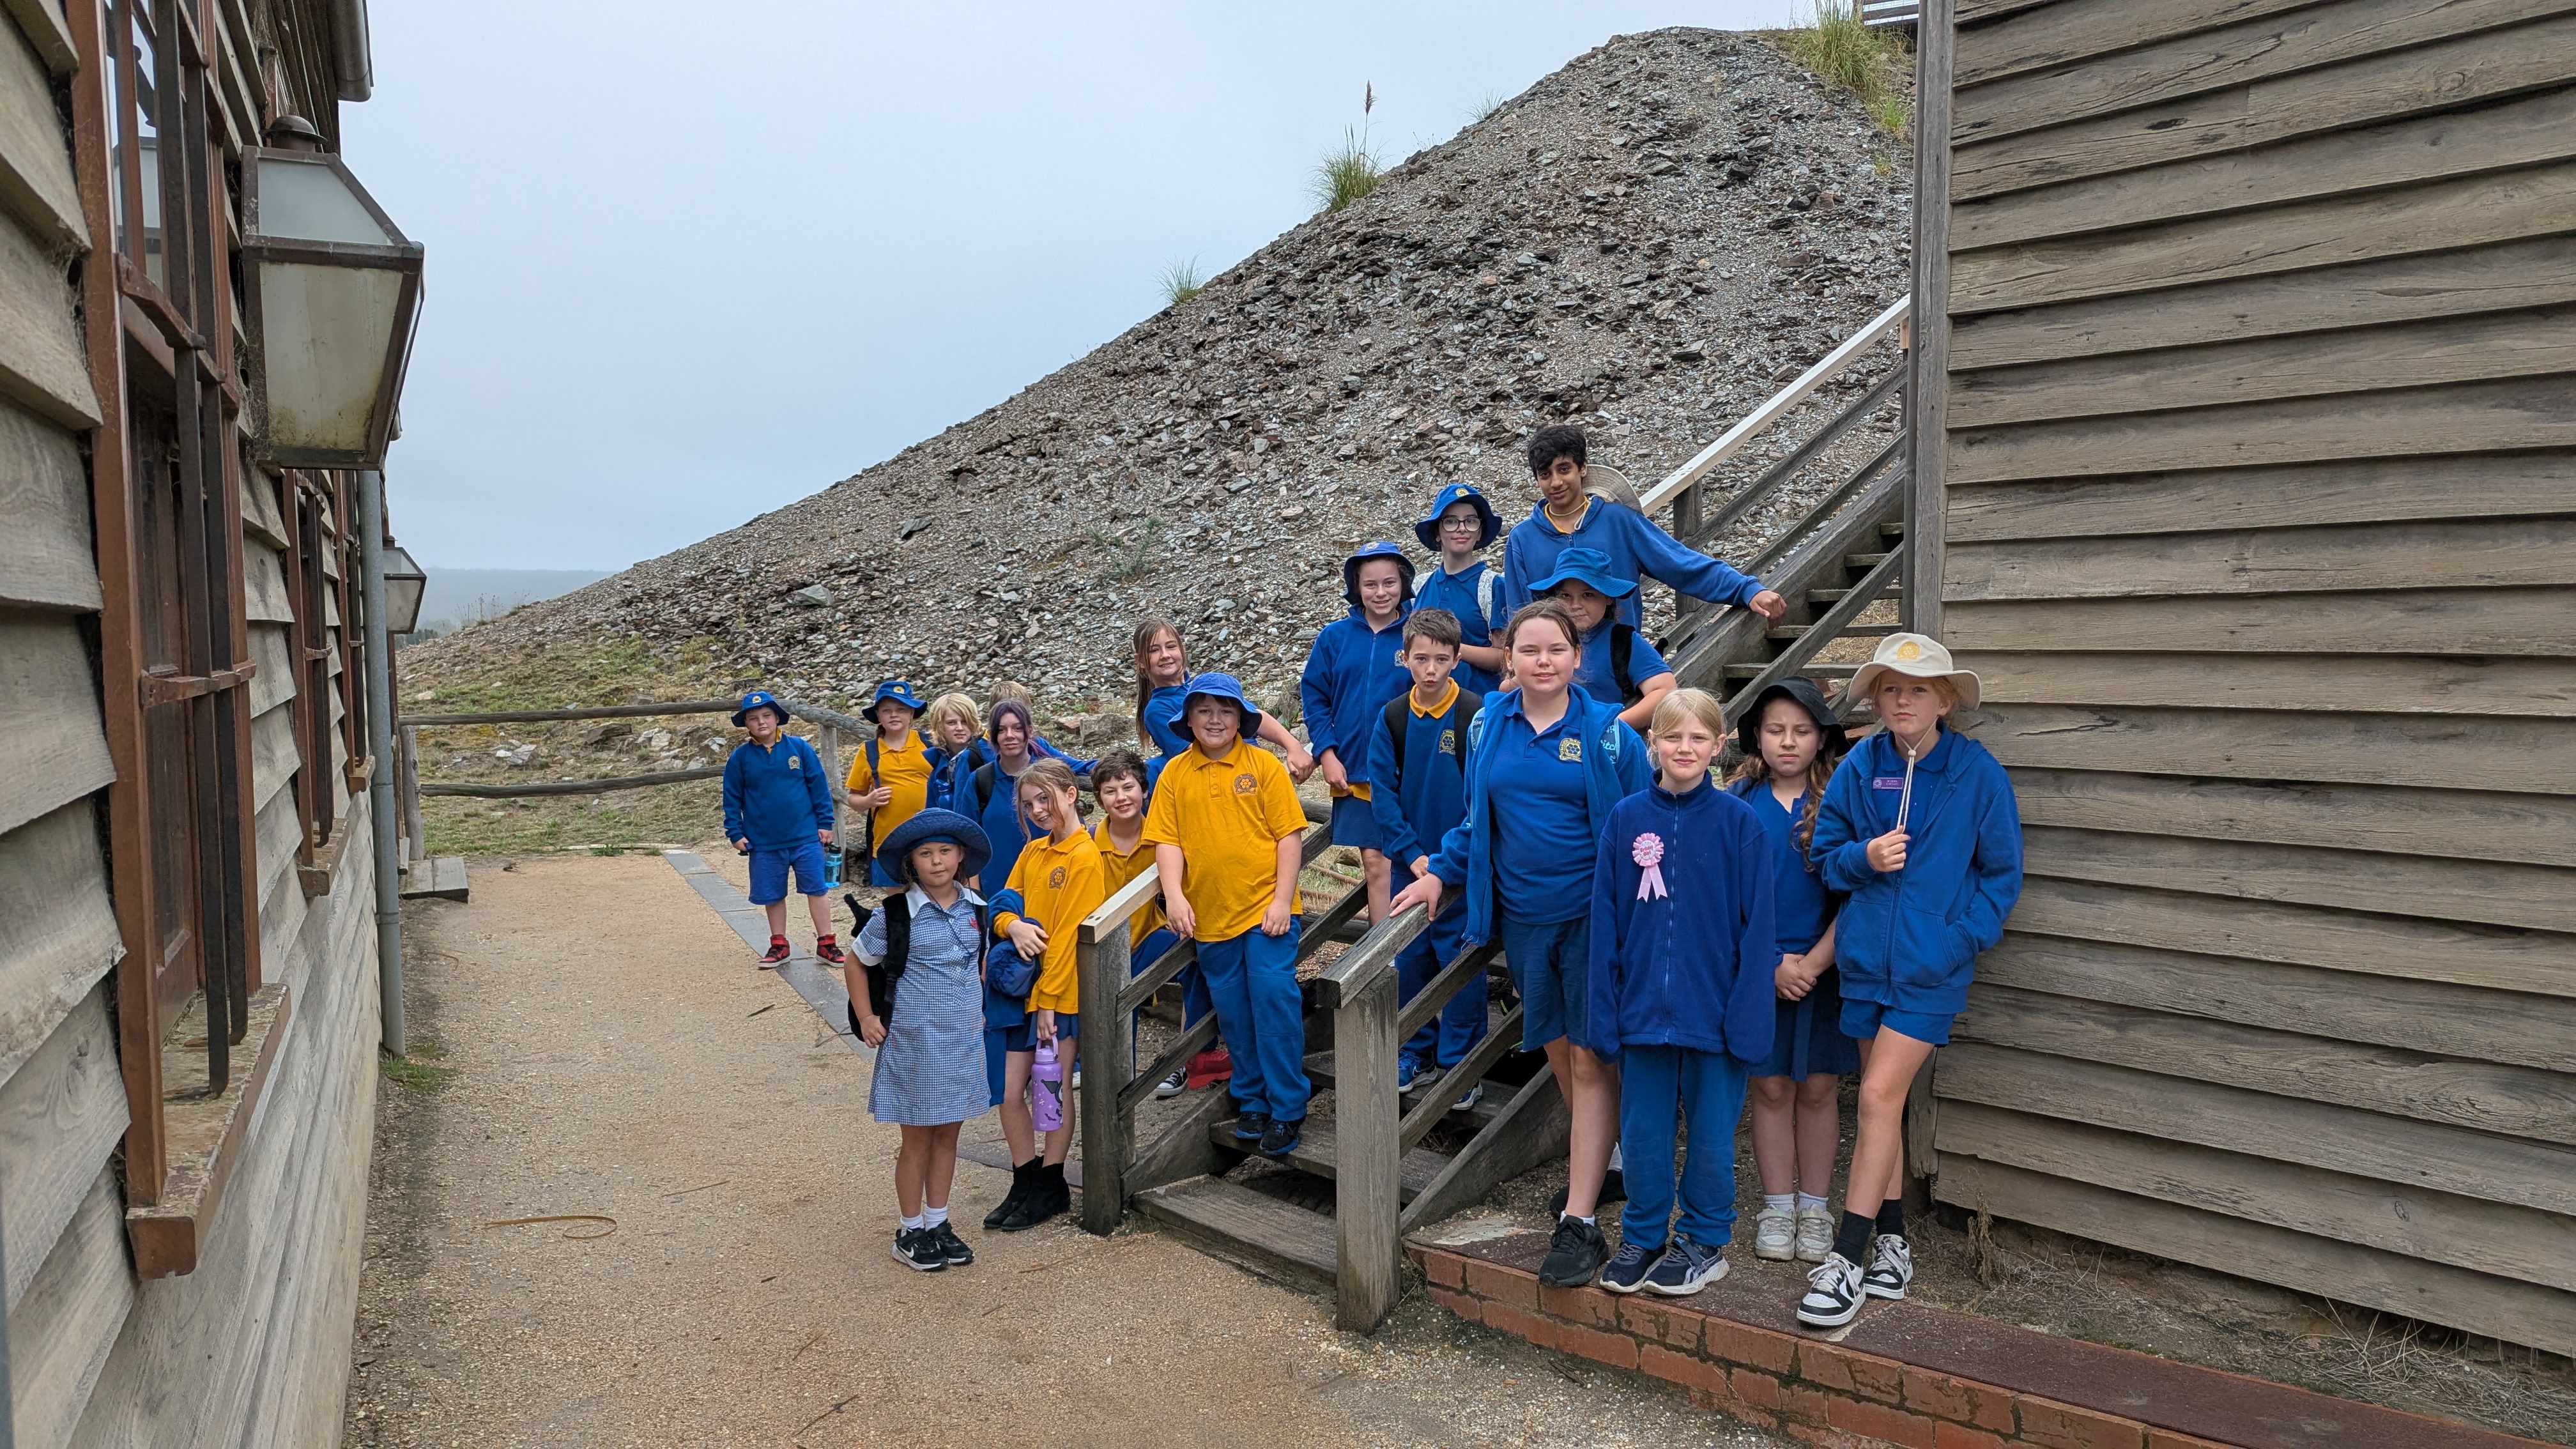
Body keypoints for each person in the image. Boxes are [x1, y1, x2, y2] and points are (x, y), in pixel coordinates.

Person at [1391, 601, 1653, 1289]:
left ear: (1577, 658)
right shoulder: (1488, 724)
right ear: (1507, 658)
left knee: (1590, 1059)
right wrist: (1438, 873)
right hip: (1527, 920)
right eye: (1529, 650)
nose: (1543, 661)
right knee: (1562, 1055)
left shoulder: (1608, 734)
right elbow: (1476, 820)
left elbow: (1644, 826)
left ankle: (1580, 1220)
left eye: (1556, 650)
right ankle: (1609, 1163)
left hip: (1594, 920)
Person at [1795, 634, 2023, 1329]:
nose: (1902, 701)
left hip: (1931, 972)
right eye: (1890, 689)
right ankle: (1893, 1244)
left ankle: (1846, 1260)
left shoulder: (1977, 775)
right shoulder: (1861, 766)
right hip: (1866, 963)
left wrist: (1956, 943)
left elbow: (2001, 877)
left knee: (1875, 1099)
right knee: (1883, 1109)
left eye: (1917, 690)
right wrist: (1864, 857)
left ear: (1944, 701)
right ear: (1876, 700)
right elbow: (1826, 859)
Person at [1584, 687, 1777, 1296]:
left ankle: (1703, 1239)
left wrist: (1748, 1017)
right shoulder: (1626, 820)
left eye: (1698, 738)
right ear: (1653, 744)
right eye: (1673, 737)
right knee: (1643, 1135)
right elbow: (1606, 920)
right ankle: (1643, 1235)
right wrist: (1604, 1009)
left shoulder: (1740, 825)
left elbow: (1758, 928)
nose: (1684, 748)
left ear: (1719, 746)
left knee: (1712, 1140)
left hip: (1715, 1016)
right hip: (1642, 1013)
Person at [1144, 673, 1312, 1158]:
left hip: (1267, 912)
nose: (1215, 720)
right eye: (1204, 711)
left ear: (1241, 719)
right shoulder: (1176, 774)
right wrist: (1174, 897)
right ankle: (1252, 1100)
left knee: (1274, 999)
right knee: (1234, 1012)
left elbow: (1288, 837)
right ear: (1188, 720)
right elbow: (1167, 841)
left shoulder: (1263, 766)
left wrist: (1281, 900)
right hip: (1211, 917)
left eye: (1225, 710)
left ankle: (1288, 1105)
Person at [1728, 678, 1855, 1266]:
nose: (1788, 741)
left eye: (1802, 731)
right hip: (1759, 968)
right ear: (1756, 735)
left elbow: (1857, 893)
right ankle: (1777, 1207)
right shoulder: (1738, 802)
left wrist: (1814, 962)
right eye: (1776, 730)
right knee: (1771, 1087)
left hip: (1825, 967)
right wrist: (1772, 962)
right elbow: (1724, 898)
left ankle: (1815, 1207)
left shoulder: (1840, 802)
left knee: (1820, 1087)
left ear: (1821, 738)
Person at [848, 808, 993, 1272]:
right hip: (915, 1044)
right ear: (911, 862)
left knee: (949, 1134)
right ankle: (909, 1229)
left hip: (962, 1042)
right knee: (917, 1138)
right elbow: (856, 962)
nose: (937, 862)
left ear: (961, 856)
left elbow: (978, 962)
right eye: (926, 854)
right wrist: (867, 1017)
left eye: (945, 851)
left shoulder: (978, 909)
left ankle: (938, 1222)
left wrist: (978, 1007)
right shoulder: (895, 915)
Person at [1365, 608, 1489, 1107]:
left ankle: (1462, 1062)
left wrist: (1442, 862)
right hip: (1407, 864)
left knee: (1460, 961)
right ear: (1406, 659)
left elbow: (1482, 797)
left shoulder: (1475, 715)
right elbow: (1383, 795)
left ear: (1457, 659)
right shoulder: (1393, 717)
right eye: (1421, 659)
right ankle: (1415, 1049)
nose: (1431, 669)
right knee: (1412, 958)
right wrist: (1413, 854)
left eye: (1441, 659)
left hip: (1461, 865)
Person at [1500, 424, 1787, 631]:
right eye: (1545, 474)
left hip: (1621, 666)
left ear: (1582, 468)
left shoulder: (1620, 521)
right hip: (1553, 675)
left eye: (1564, 469)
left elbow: (1682, 564)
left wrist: (1746, 590)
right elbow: (1519, 613)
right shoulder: (1522, 539)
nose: (1556, 482)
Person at [983, 759, 1105, 1232]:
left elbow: (1071, 935)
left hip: (1058, 995)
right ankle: (1024, 1177)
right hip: (1019, 991)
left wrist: (1049, 1002)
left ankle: (1052, 1181)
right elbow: (1002, 902)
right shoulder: (1033, 852)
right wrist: (1011, 926)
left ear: (1071, 795)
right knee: (1009, 1090)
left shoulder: (1084, 856)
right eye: (1029, 804)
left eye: (1044, 799)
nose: (1037, 810)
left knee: (1050, 1086)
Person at [1300, 541, 1416, 924]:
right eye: (1370, 584)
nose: (1381, 592)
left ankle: (1417, 948)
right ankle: (1384, 952)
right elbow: (1315, 697)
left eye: (1389, 583)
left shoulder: (1417, 633)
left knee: (1415, 856)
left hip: (1409, 768)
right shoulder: (1334, 637)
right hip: (1356, 768)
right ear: (1356, 586)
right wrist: (1327, 753)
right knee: (1375, 863)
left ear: (1403, 583)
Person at [1091, 749, 1213, 1099]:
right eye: (1110, 791)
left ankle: (1188, 1057)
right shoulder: (1089, 842)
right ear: (1100, 799)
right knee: (1114, 1006)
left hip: (1148, 935)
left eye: (1128, 787)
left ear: (1145, 790)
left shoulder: (1164, 836)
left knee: (1198, 956)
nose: (1121, 797)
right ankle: (1116, 1077)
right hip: (1102, 946)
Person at [721, 691, 842, 967]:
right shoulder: (740, 758)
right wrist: (735, 832)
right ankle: (779, 944)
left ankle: (827, 944)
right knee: (772, 893)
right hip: (764, 841)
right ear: (746, 724)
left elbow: (818, 787)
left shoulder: (799, 748)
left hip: (805, 836)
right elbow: (732, 798)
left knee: (817, 889)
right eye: (753, 718)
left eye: (767, 716)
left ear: (777, 718)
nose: (761, 722)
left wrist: (825, 823)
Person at [1131, 617, 1315, 781]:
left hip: (1256, 766)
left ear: (1181, 649)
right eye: (1154, 650)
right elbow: (1196, 753)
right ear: (1140, 661)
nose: (1165, 655)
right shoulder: (1157, 710)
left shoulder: (1203, 686)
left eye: (1171, 646)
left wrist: (1293, 746)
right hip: (1226, 778)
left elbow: (1257, 716)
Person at [1530, 546, 1677, 730]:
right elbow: (1511, 687)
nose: (1575, 605)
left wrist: (1612, 727)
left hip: (1604, 744)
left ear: (1608, 598)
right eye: (1565, 596)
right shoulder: (1540, 636)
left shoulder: (1622, 641)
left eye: (1588, 595)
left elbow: (1665, 691)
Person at [1409, 483, 1509, 693]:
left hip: (1479, 704)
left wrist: (1449, 647)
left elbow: (1504, 657)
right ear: (1437, 532)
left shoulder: (1492, 586)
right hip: (1426, 705)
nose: (1462, 528)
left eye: (1471, 521)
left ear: (1479, 532)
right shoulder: (1418, 586)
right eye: (1451, 521)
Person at [845, 680, 936, 887]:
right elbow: (854, 797)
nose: (894, 715)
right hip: (888, 841)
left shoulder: (930, 743)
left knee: (931, 895)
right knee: (897, 901)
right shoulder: (869, 751)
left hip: (929, 836)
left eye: (901, 709)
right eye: (887, 710)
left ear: (912, 713)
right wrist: (869, 800)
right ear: (879, 716)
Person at [919, 692, 985, 811]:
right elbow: (933, 812)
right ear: (940, 726)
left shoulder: (986, 756)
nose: (959, 728)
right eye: (952, 723)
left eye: (965, 722)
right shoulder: (938, 761)